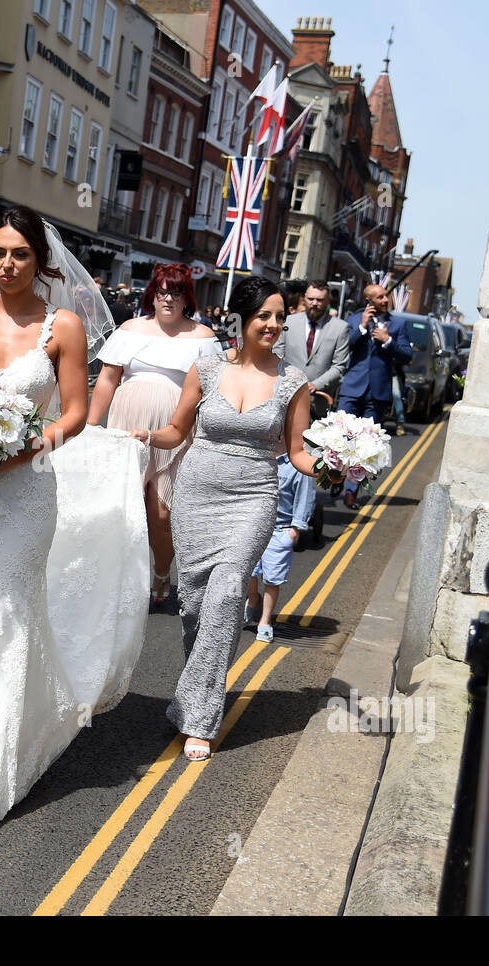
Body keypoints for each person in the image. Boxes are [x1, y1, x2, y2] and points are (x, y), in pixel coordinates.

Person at [0, 205, 149, 823]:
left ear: (41, 261)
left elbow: (72, 415)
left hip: (24, 492)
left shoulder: (62, 327)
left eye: (20, 254)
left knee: (5, 616)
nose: (7, 264)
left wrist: (14, 455)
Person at [130, 276, 316, 761]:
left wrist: (339, 464)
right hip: (196, 495)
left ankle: (200, 718)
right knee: (195, 606)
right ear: (241, 320)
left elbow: (297, 453)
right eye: (265, 316)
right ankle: (197, 693)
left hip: (253, 497)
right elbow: (177, 431)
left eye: (281, 317)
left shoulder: (295, 383)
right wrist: (144, 436)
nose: (275, 325)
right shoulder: (206, 369)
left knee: (229, 591)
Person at [87, 263, 220, 606]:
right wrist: (89, 425)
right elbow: (107, 379)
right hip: (125, 427)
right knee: (120, 507)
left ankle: (162, 571)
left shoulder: (203, 338)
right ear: (152, 294)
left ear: (186, 297)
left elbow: (214, 391)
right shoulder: (130, 328)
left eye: (175, 292)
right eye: (162, 291)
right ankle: (118, 579)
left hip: (174, 434)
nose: (168, 299)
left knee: (161, 515)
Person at [276, 279, 349, 543]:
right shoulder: (289, 322)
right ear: (304, 298)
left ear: (327, 301)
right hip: (285, 398)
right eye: (311, 298)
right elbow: (277, 354)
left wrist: (313, 385)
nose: (315, 304)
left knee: (306, 461)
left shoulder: (339, 328)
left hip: (317, 403)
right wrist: (292, 382)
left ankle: (298, 522)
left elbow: (340, 366)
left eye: (320, 299)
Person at [337, 283, 412, 509]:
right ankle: (335, 476)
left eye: (385, 296)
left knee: (365, 444)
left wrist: (388, 341)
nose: (385, 300)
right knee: (341, 438)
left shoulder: (398, 324)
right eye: (379, 297)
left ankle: (351, 491)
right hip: (352, 388)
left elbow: (407, 355)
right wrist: (361, 327)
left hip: (377, 392)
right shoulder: (353, 320)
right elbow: (344, 348)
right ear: (368, 300)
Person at [244, 453, 313, 642]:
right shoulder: (258, 454)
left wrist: (295, 530)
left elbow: (304, 497)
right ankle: (253, 599)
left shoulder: (297, 464)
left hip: (280, 530)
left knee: (272, 578)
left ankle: (265, 621)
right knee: (248, 571)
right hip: (252, 525)